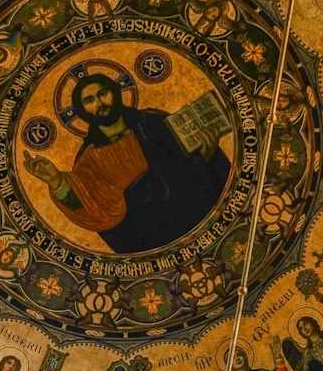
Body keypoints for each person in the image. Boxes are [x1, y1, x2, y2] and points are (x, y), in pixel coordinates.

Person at [21, 70, 229, 254]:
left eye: (103, 94)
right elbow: (89, 208)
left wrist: (207, 154)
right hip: (151, 236)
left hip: (196, 216)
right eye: (90, 100)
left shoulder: (154, 122)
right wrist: (56, 181)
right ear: (83, 111)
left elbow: (192, 168)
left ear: (115, 93)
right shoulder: (90, 159)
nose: (100, 103)